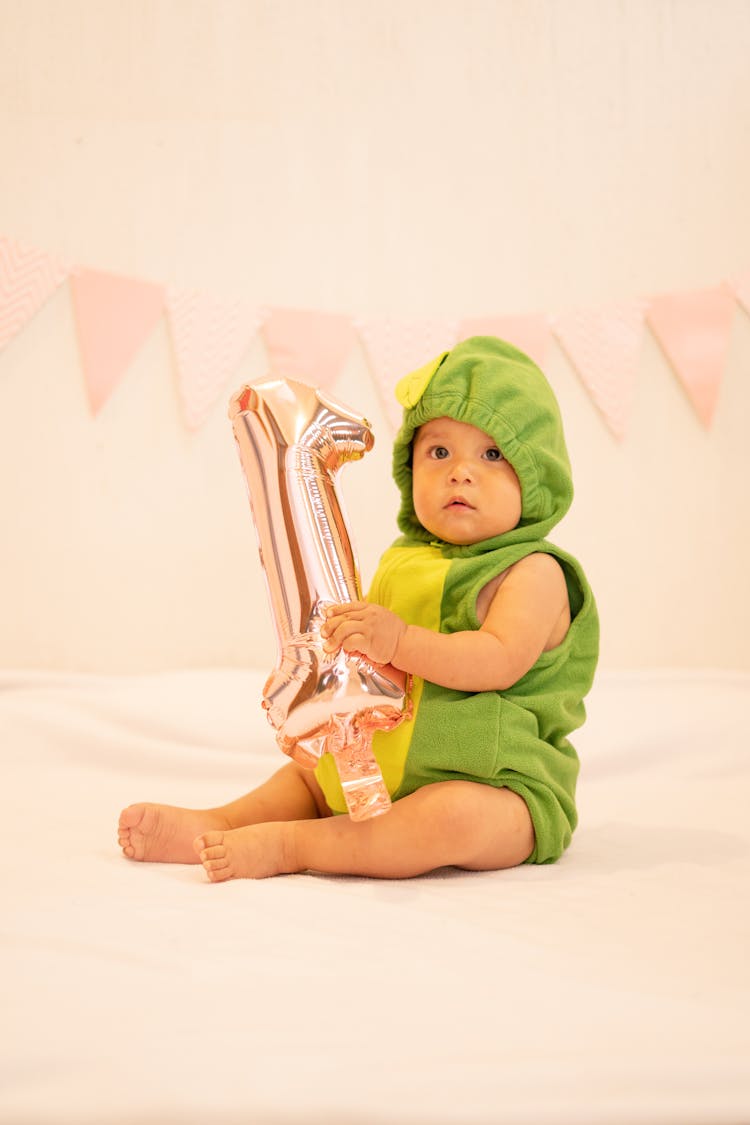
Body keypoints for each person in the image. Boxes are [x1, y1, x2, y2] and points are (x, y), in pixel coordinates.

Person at [118, 336, 599, 882]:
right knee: (307, 779)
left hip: (496, 784)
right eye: (439, 452)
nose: (460, 472)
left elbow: (497, 660)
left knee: (450, 818)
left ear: (538, 475)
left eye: (492, 454)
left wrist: (398, 642)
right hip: (382, 766)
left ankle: (294, 846)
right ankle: (221, 822)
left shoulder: (534, 572)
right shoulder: (405, 560)